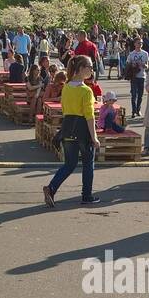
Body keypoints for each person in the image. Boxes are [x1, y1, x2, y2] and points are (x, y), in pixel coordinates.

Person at [43, 55, 103, 207]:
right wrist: (94, 137)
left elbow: (65, 109)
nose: (92, 70)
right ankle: (87, 195)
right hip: (83, 130)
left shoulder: (67, 88)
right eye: (89, 67)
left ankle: (51, 188)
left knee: (70, 164)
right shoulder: (86, 91)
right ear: (81, 69)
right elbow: (89, 116)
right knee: (88, 163)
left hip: (68, 128)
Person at [125, 39, 149, 118]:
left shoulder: (145, 53)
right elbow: (127, 64)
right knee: (134, 94)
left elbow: (147, 66)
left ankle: (138, 109)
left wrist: (143, 65)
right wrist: (133, 65)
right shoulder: (131, 54)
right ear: (135, 44)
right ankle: (133, 111)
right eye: (138, 43)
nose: (140, 44)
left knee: (140, 95)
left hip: (142, 76)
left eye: (141, 43)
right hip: (134, 76)